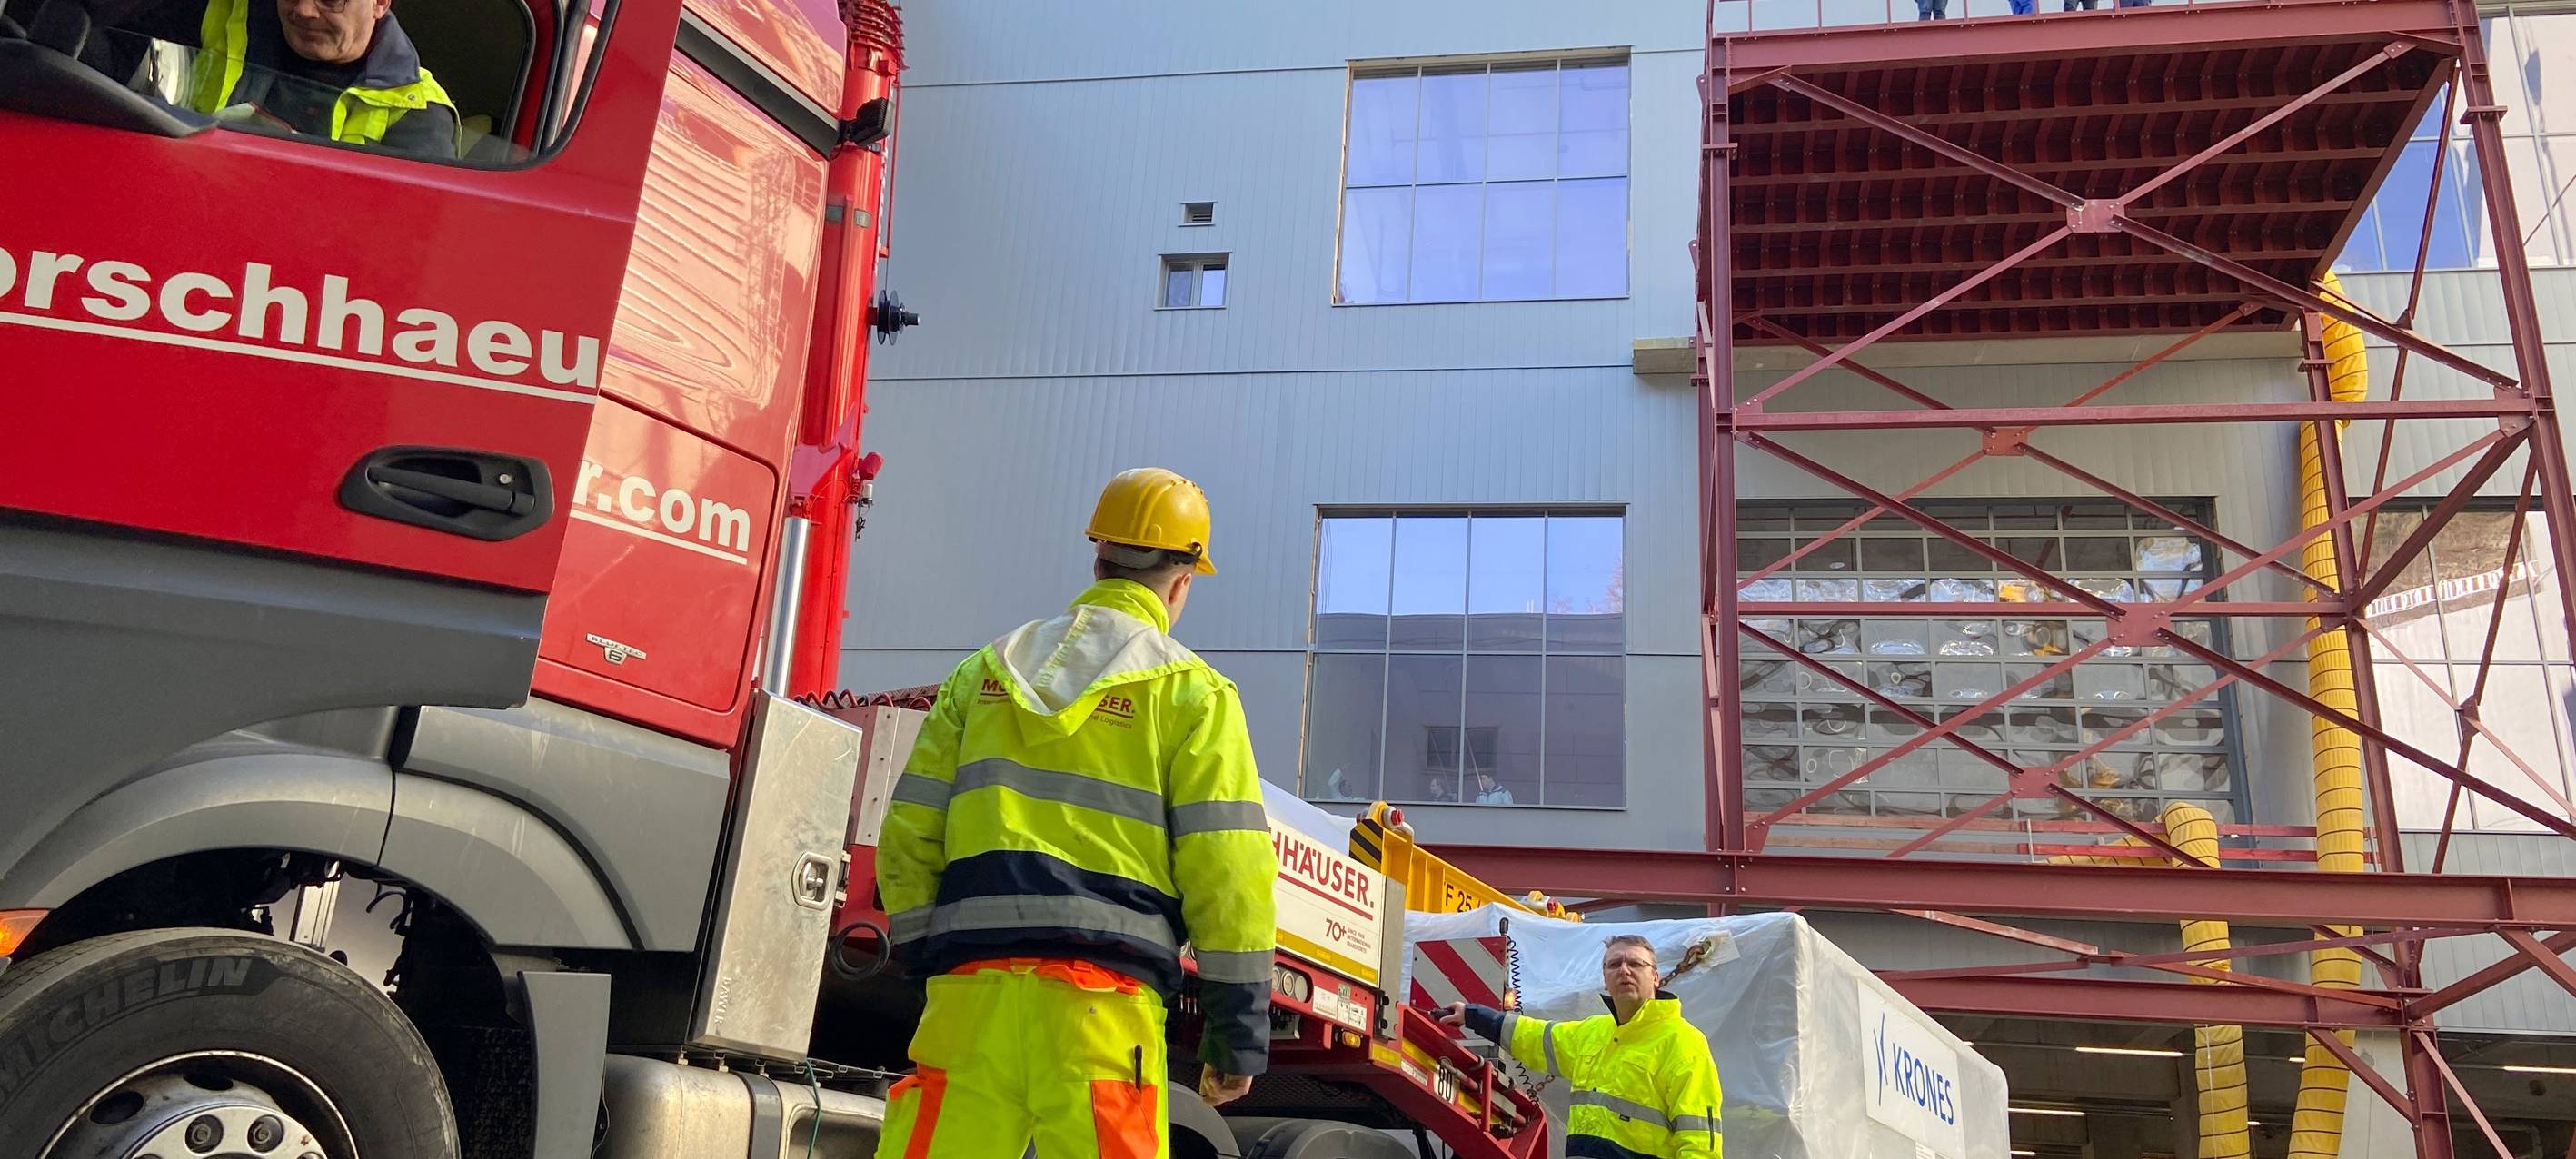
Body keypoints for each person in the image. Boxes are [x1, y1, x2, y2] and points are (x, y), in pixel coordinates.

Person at [875, 468, 1279, 1159]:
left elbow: (909, 832)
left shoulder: (984, 672)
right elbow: (1229, 872)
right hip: (1103, 1007)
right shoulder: (1193, 691)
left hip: (970, 998)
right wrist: (1235, 1033)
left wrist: (924, 962)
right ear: (1182, 580)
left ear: (1098, 558)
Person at [1443, 934, 1723, 1159]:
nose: (1624, 970)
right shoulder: (1593, 1032)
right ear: (1605, 978)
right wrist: (1472, 1016)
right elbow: (1533, 1036)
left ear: (1656, 978)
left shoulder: (1684, 1043)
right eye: (1614, 965)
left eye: (1635, 964)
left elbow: (1699, 1142)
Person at [114, 0, 461, 156]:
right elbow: (109, 65)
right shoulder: (217, 12)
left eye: (331, 1)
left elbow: (397, 239)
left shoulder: (419, 111)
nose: (303, 10)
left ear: (380, 3)